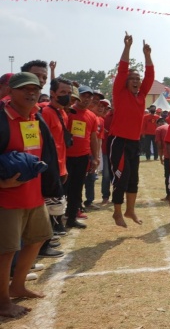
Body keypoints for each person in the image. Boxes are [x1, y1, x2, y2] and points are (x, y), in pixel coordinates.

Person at [0, 72, 53, 318]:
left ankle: (18, 285)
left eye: (35, 88)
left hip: (33, 194)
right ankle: (2, 302)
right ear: (10, 91)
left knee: (38, 238)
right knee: (6, 250)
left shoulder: (35, 117)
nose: (31, 92)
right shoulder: (2, 119)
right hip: (7, 199)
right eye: (24, 89)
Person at [107, 32, 154, 227]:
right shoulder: (120, 92)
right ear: (126, 82)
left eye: (138, 78)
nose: (136, 80)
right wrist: (127, 47)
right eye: (132, 78)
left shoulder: (142, 94)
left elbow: (150, 76)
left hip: (135, 142)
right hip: (119, 141)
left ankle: (130, 211)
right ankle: (117, 212)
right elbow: (122, 70)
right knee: (121, 178)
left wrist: (147, 55)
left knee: (133, 178)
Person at [37, 77, 73, 257]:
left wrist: (63, 168)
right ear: (52, 94)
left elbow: (60, 144)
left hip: (59, 167)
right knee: (47, 207)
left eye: (69, 93)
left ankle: (47, 239)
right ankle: (42, 246)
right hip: (49, 168)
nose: (67, 96)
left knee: (53, 207)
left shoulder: (62, 113)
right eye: (62, 93)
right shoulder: (46, 112)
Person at [65, 86, 99, 229]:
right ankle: (56, 220)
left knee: (77, 189)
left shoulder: (92, 116)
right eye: (84, 95)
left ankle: (71, 218)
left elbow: (93, 138)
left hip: (82, 158)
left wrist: (95, 158)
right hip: (66, 157)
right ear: (78, 96)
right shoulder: (68, 112)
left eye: (89, 97)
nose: (87, 99)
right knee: (62, 189)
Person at [155, 117, 170, 201]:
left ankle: (169, 195)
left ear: (159, 123)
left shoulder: (159, 129)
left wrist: (160, 157)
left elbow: (159, 145)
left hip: (168, 156)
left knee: (168, 176)